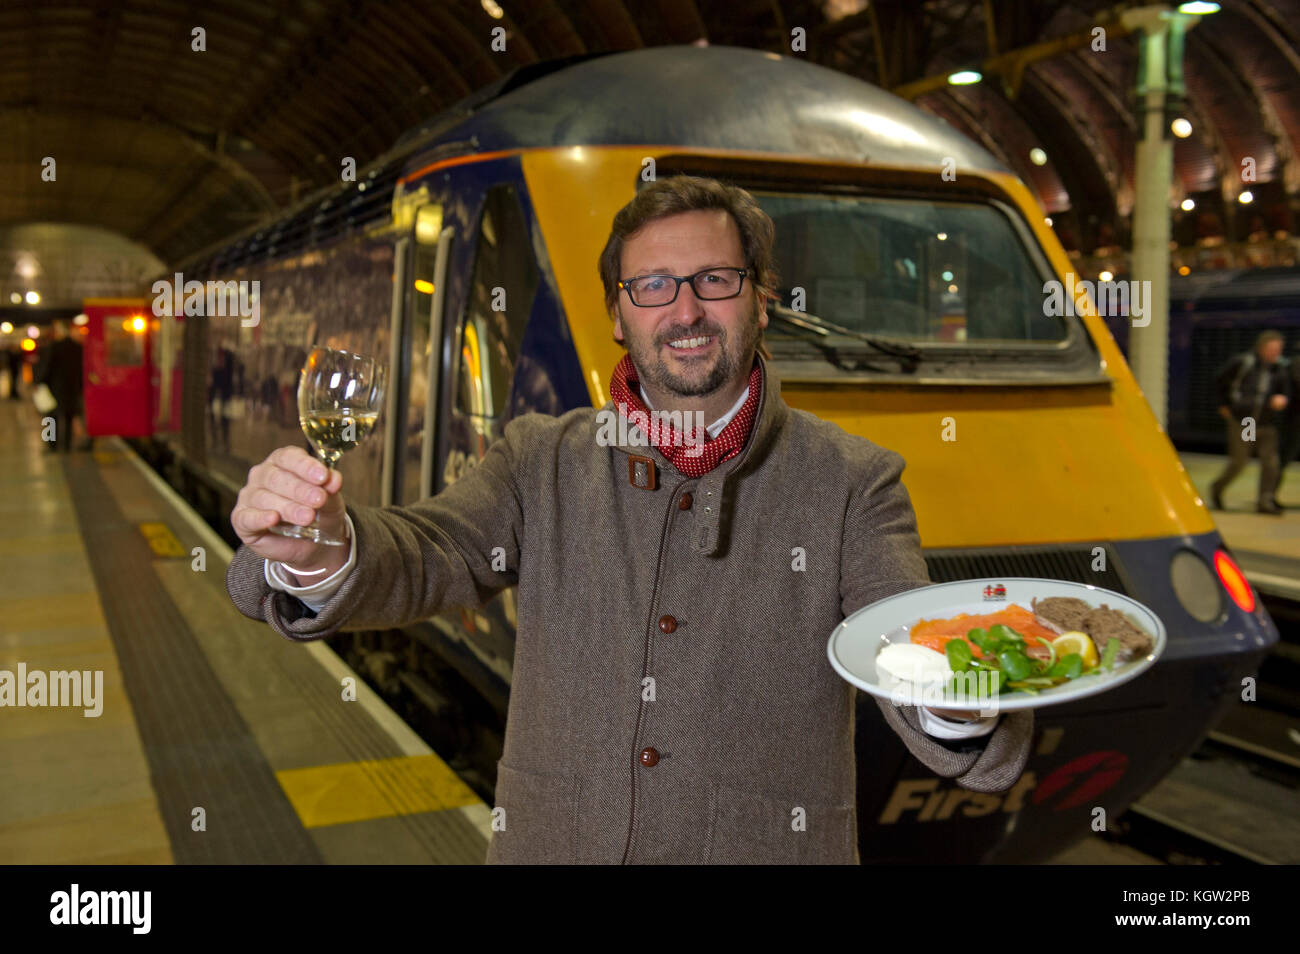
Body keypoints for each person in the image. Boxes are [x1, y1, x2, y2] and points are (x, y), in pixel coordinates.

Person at [225, 176, 1032, 864]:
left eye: (714, 279)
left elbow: (903, 643)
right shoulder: (539, 459)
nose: (684, 310)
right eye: (652, 285)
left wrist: (955, 687)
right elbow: (428, 551)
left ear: (761, 299)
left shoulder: (854, 482)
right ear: (619, 313)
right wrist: (321, 545)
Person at [1210, 330, 1291, 515]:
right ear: (1262, 348)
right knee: (1240, 461)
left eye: (1278, 349)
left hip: (1267, 420)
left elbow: (1285, 390)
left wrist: (1282, 399)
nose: (1275, 353)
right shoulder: (1244, 363)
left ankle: (1265, 500)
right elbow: (1219, 381)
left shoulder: (1279, 368)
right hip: (1246, 420)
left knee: (1271, 462)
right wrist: (1223, 405)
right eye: (1272, 349)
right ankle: (1218, 488)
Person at [33, 320, 86, 453]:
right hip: (72, 388)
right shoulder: (78, 348)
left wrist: (39, 382)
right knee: (68, 417)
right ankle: (67, 445)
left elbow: (47, 367)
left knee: (50, 418)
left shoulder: (54, 347)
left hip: (54, 388)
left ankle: (52, 445)